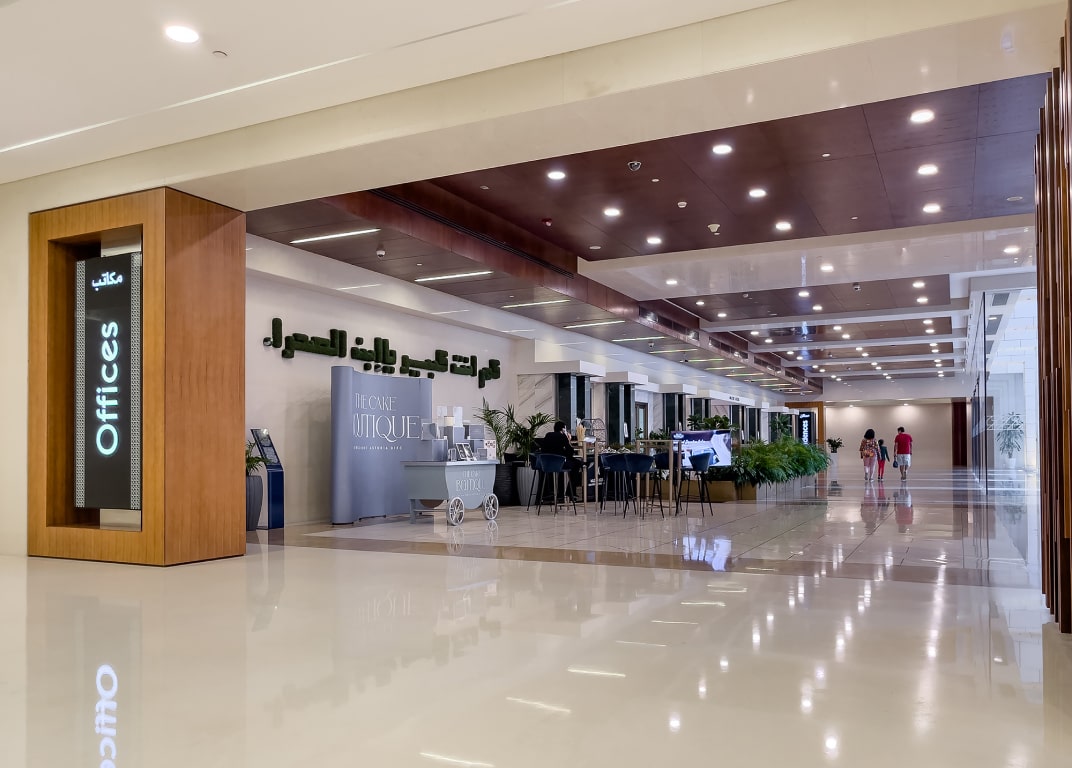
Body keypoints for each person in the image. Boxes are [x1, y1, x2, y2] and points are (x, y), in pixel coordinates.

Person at [541, 421, 581, 499]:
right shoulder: (562, 436)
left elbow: (543, 449)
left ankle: (559, 493)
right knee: (577, 464)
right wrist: (568, 440)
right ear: (563, 429)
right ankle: (570, 492)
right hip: (559, 463)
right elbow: (570, 452)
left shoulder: (548, 435)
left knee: (571, 463)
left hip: (546, 464)